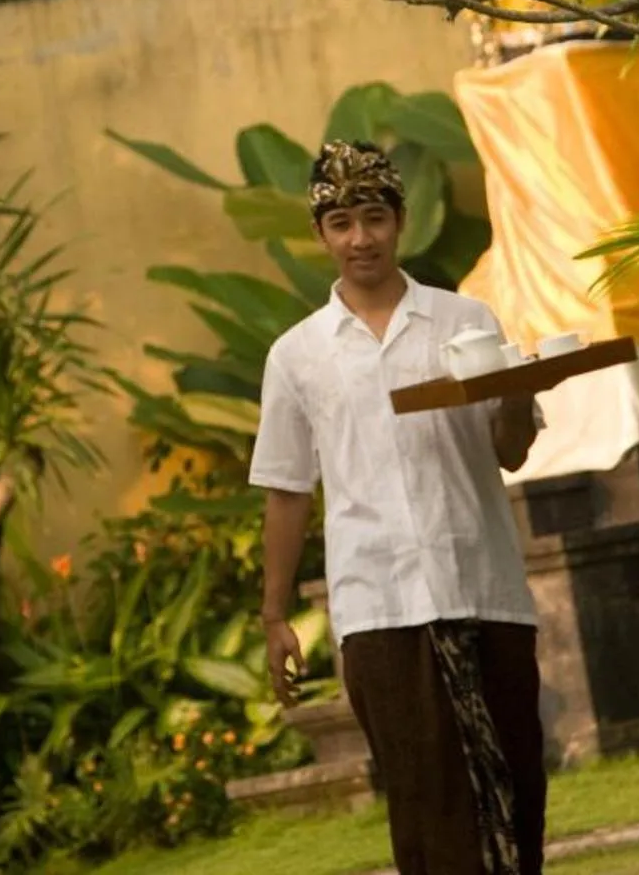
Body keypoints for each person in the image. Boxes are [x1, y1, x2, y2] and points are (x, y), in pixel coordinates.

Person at [250, 139, 547, 875]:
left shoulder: (464, 321)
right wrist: (274, 615)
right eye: (342, 223)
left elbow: (511, 452)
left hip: (483, 588)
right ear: (321, 234)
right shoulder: (297, 355)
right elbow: (287, 490)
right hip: (377, 607)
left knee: (514, 784)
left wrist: (517, 394)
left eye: (375, 218)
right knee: (423, 798)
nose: (361, 238)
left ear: (400, 221)